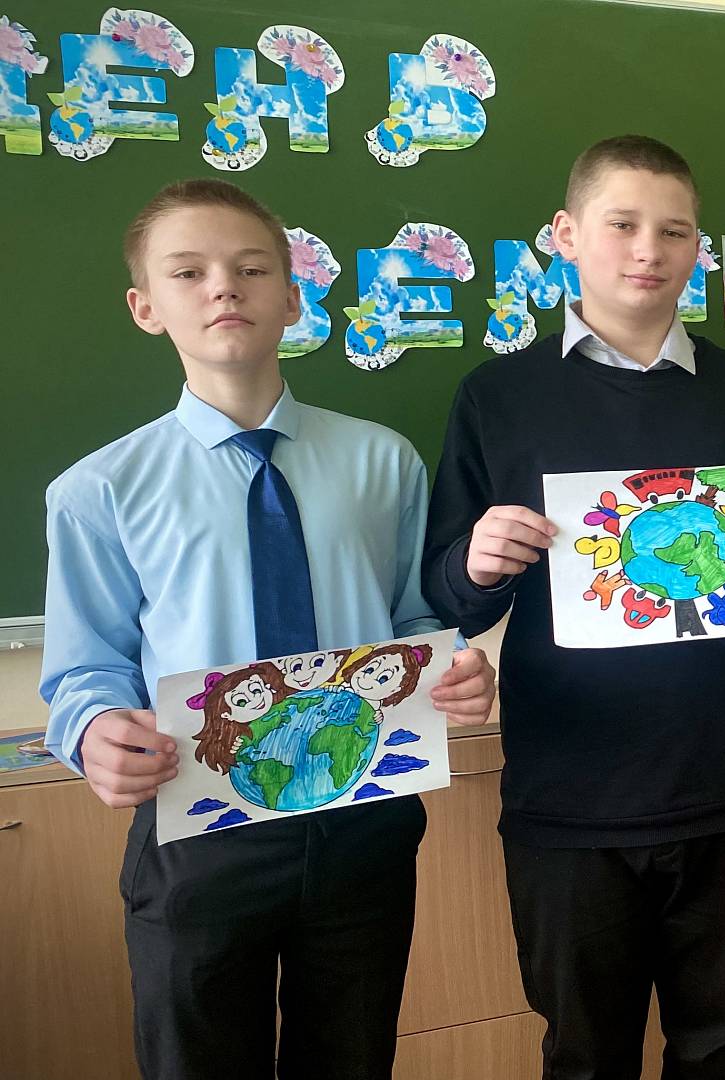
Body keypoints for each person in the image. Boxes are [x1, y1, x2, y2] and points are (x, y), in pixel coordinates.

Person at [422, 135, 725, 1080]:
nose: (648, 250)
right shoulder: (497, 397)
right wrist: (478, 562)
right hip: (569, 795)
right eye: (622, 224)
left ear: (698, 247)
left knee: (721, 1045)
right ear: (566, 234)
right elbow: (443, 590)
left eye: (675, 231)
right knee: (585, 1054)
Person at [40, 177, 497, 1079]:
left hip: (362, 814)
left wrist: (455, 671)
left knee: (352, 1056)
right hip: (198, 827)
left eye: (251, 269)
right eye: (189, 272)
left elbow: (412, 622)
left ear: (292, 298)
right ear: (145, 307)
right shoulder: (99, 491)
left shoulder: (384, 461)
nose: (224, 287)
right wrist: (91, 730)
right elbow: (86, 669)